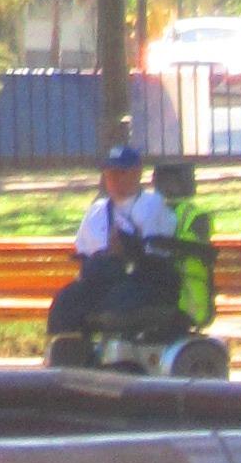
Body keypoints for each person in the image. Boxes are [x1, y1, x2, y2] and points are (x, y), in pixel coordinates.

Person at [46, 136, 178, 346]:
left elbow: (155, 253)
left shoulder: (152, 204)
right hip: (103, 280)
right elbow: (84, 252)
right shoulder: (98, 210)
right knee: (66, 300)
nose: (114, 179)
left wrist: (126, 249)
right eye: (109, 173)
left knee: (118, 301)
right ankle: (68, 357)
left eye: (120, 173)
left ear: (137, 173)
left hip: (143, 281)